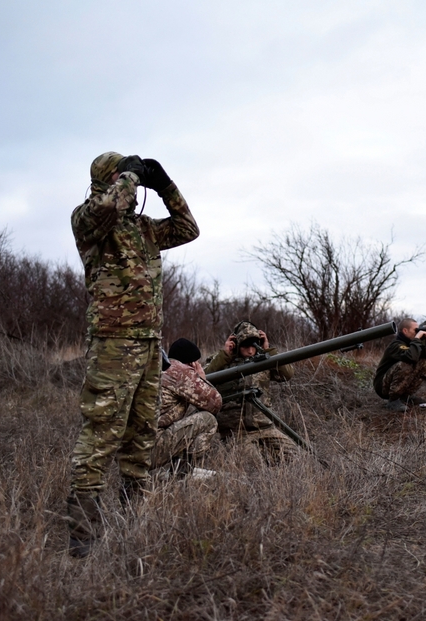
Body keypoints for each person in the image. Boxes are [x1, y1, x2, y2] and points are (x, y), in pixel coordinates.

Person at [66, 152, 200, 557]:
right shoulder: (88, 220)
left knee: (141, 436)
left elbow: (188, 228)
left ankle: (131, 523)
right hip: (112, 343)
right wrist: (128, 175)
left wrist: (164, 185)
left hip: (146, 345)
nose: (133, 184)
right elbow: (107, 204)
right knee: (101, 434)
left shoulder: (143, 229)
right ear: (109, 180)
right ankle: (83, 539)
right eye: (125, 178)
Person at [203, 321, 298, 463]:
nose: (250, 351)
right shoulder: (221, 360)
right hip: (236, 431)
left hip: (264, 427)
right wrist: (225, 355)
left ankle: (265, 454)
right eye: (245, 346)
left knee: (295, 457)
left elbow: (287, 374)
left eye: (254, 345)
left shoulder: (263, 360)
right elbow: (202, 378)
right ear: (236, 344)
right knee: (252, 464)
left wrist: (268, 350)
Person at [151, 338, 222, 474]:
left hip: (134, 449)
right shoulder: (181, 371)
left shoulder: (158, 367)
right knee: (208, 420)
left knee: (190, 417)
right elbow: (215, 403)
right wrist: (201, 378)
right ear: (192, 363)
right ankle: (181, 474)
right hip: (152, 450)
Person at [373, 317, 426, 411]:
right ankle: (393, 400)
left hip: (392, 383)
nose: (417, 332)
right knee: (407, 362)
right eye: (415, 330)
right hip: (383, 386)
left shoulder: (413, 344)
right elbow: (411, 357)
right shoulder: (396, 345)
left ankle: (405, 397)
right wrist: (417, 338)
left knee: (424, 361)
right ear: (405, 331)